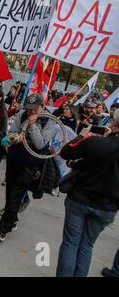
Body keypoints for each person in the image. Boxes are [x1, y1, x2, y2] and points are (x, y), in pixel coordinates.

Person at [56, 111, 119, 277]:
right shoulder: (101, 142)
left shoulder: (97, 142)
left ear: (114, 123)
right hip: (107, 207)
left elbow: (66, 152)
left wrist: (81, 136)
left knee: (71, 243)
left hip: (81, 199)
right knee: (86, 246)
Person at [0, 94, 57, 242]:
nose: (31, 112)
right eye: (29, 109)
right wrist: (13, 139)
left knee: (16, 194)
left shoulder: (50, 121)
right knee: (10, 192)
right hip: (15, 159)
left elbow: (41, 143)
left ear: (42, 107)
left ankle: (3, 228)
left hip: (31, 164)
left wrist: (33, 125)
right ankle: (12, 219)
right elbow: (11, 132)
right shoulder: (22, 114)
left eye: (35, 110)